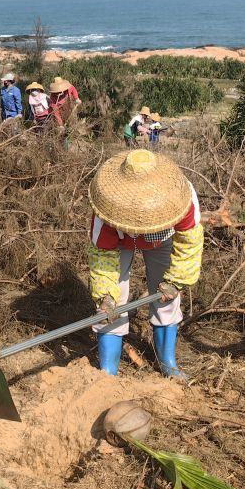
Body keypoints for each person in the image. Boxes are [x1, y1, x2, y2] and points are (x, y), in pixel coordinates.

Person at [87, 149, 203, 380]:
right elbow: (103, 257)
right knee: (112, 302)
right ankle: (107, 371)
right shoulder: (108, 206)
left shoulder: (180, 197)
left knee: (168, 298)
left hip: (163, 237)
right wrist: (105, 297)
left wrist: (175, 281)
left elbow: (189, 242)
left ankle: (167, 362)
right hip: (120, 241)